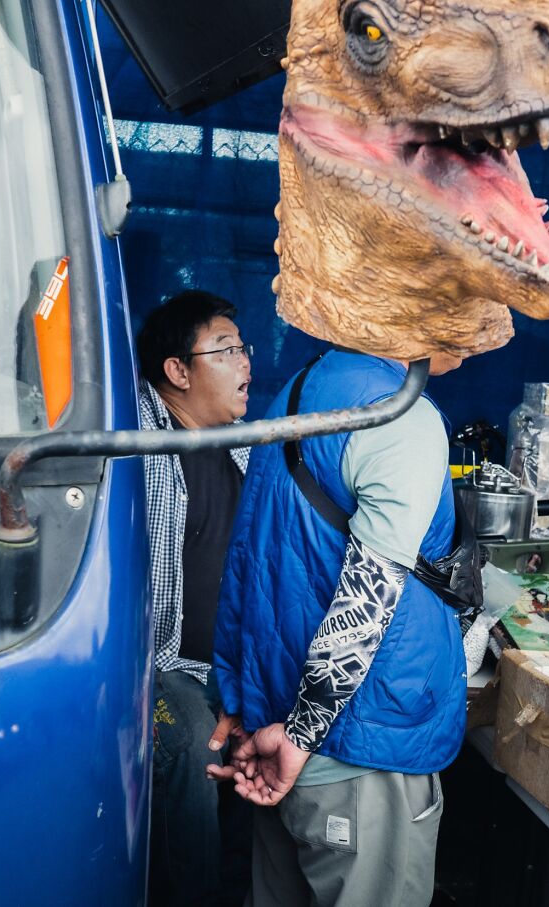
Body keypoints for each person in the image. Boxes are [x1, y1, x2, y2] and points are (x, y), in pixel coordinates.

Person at [207, 347, 467, 907]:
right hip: (358, 744)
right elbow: (365, 604)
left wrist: (240, 698)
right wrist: (301, 735)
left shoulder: (301, 387)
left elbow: (250, 562)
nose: (476, 338)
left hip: (278, 725)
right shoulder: (401, 416)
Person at [137, 290, 252, 907]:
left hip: (229, 666)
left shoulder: (244, 444)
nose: (245, 362)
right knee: (188, 742)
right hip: (159, 667)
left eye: (243, 348)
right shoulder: (136, 434)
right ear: (177, 372)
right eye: (226, 350)